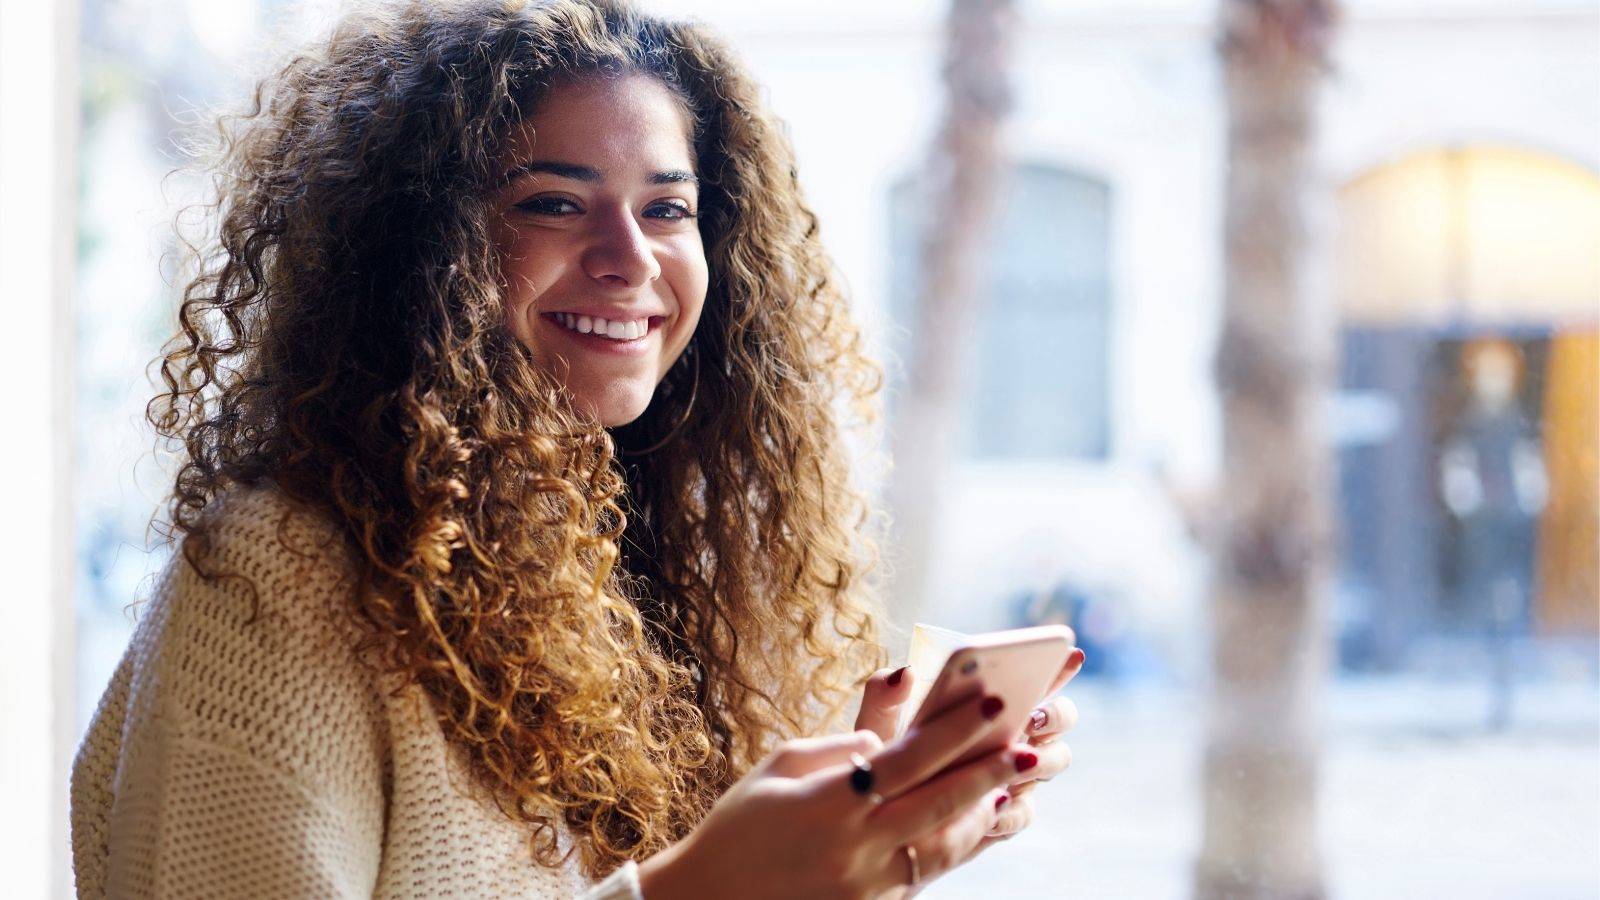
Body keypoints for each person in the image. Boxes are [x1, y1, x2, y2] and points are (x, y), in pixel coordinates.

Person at [68, 1, 1084, 897]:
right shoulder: (280, 573)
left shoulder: (667, 571)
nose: (628, 256)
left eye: (666, 209)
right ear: (420, 248)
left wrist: (869, 842)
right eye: (553, 202)